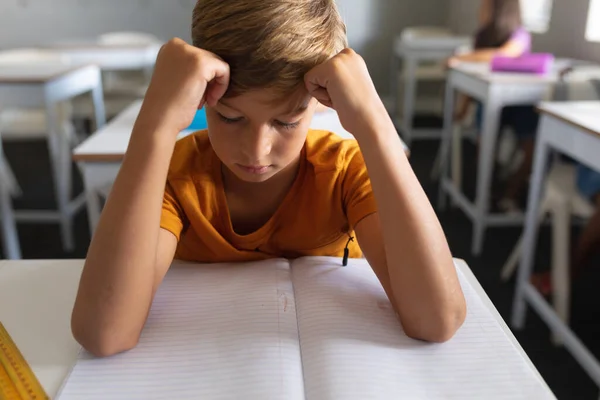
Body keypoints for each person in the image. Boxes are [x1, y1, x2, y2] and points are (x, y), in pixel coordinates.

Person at [71, 0, 466, 357]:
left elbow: (437, 321)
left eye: (287, 121)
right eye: (230, 117)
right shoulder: (177, 175)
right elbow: (104, 334)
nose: (256, 151)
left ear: (320, 103)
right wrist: (155, 124)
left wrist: (374, 124)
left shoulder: (343, 171)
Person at [449, 0, 537, 211]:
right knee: (485, 147)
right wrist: (463, 107)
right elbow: (473, 78)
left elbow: (504, 54)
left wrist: (460, 57)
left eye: (485, 6)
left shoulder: (520, 35)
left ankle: (510, 194)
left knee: (531, 150)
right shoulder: (482, 36)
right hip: (488, 102)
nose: (480, 10)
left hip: (519, 104)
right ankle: (484, 193)